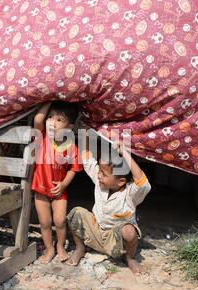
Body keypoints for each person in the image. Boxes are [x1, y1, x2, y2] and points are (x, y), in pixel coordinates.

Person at [66, 131, 151, 274]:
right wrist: (86, 135)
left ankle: (130, 258)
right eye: (99, 170)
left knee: (129, 231)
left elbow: (143, 183)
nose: (99, 175)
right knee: (76, 213)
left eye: (104, 174)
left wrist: (124, 152)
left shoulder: (130, 194)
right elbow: (87, 158)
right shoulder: (99, 181)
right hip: (96, 233)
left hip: (115, 241)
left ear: (121, 181)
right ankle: (80, 248)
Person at [31, 101, 83, 263]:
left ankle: (60, 245)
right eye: (50, 117)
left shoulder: (71, 146)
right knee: (45, 222)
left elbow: (74, 168)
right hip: (40, 189)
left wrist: (63, 185)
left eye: (59, 120)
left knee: (60, 221)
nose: (52, 122)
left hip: (59, 191)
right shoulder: (42, 138)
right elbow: (38, 121)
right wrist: (49, 100)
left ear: (69, 127)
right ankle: (49, 249)